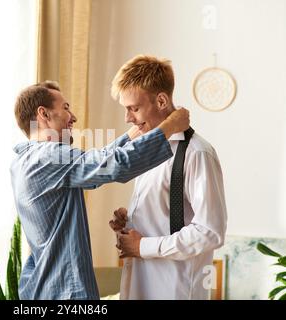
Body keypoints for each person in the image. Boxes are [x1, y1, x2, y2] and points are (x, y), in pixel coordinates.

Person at [10, 80, 190, 299]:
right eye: (65, 108)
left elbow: (97, 159)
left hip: (43, 288)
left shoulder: (25, 160)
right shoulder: (47, 157)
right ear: (43, 114)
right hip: (65, 292)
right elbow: (115, 165)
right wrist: (169, 126)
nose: (73, 117)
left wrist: (135, 132)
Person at [108, 55, 227, 300]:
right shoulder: (146, 150)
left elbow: (209, 231)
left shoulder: (197, 153)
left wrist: (142, 247)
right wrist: (131, 221)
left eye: (134, 108)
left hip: (174, 290)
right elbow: (167, 214)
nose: (128, 118)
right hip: (138, 285)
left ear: (161, 100)